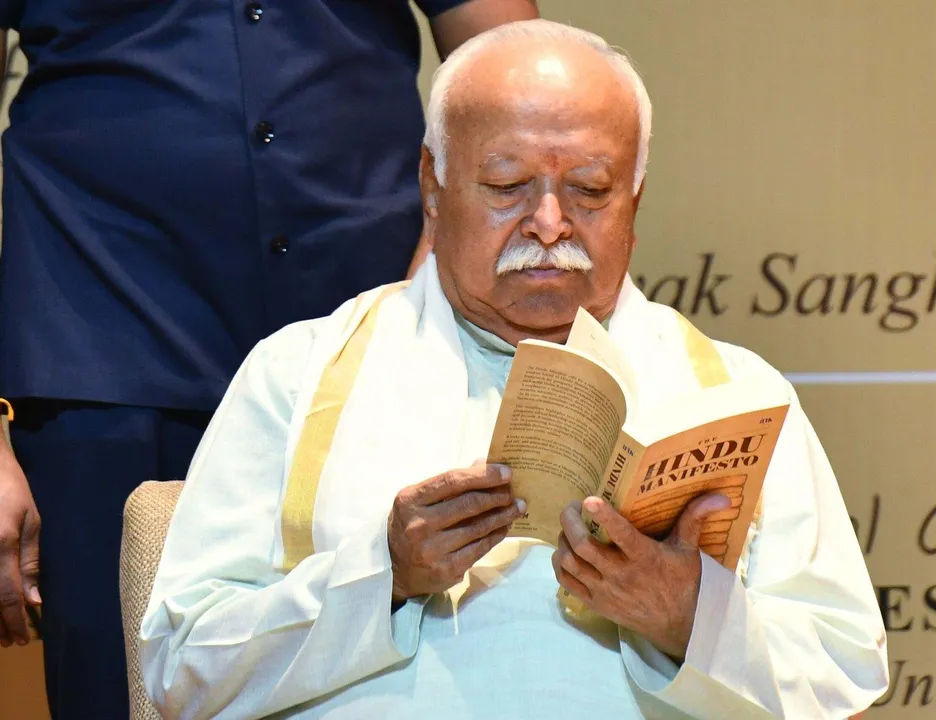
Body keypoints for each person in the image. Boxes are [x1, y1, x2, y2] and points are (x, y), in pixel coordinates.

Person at [140, 19, 890, 719]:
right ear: (432, 187)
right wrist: (384, 575)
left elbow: (843, 674)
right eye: (507, 186)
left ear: (635, 198)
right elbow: (181, 668)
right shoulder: (300, 372)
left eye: (590, 190)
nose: (550, 224)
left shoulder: (735, 392)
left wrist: (690, 617)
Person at [0, 1, 538, 717]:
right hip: (101, 339)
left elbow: (514, 66)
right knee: (115, 691)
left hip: (375, 347)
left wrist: (433, 290)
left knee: (397, 672)